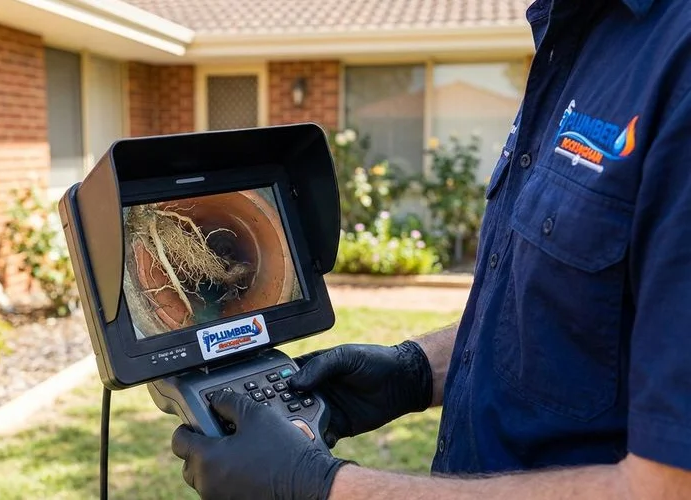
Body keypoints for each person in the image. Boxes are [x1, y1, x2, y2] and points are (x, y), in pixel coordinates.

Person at [171, 0, 691, 497]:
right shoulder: (581, 37)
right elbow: (569, 316)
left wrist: (319, 489)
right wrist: (416, 371)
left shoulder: (674, 57)